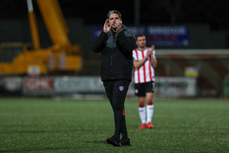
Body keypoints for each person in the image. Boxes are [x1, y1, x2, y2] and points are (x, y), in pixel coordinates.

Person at [92, 10, 136, 146]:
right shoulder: (105, 34)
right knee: (117, 107)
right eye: (111, 19)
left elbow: (130, 51)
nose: (114, 21)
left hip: (122, 76)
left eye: (116, 18)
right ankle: (126, 137)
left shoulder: (128, 33)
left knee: (117, 105)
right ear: (108, 21)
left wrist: (119, 32)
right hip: (107, 77)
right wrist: (104, 33)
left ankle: (116, 137)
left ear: (121, 20)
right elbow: (95, 48)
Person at [132, 34, 157, 129]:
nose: (142, 41)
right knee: (141, 101)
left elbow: (154, 65)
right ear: (137, 42)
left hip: (149, 79)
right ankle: (143, 123)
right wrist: (146, 57)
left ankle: (149, 122)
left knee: (149, 99)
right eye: (140, 40)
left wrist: (151, 55)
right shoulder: (134, 52)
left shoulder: (150, 51)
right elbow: (136, 65)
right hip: (138, 80)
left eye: (144, 39)